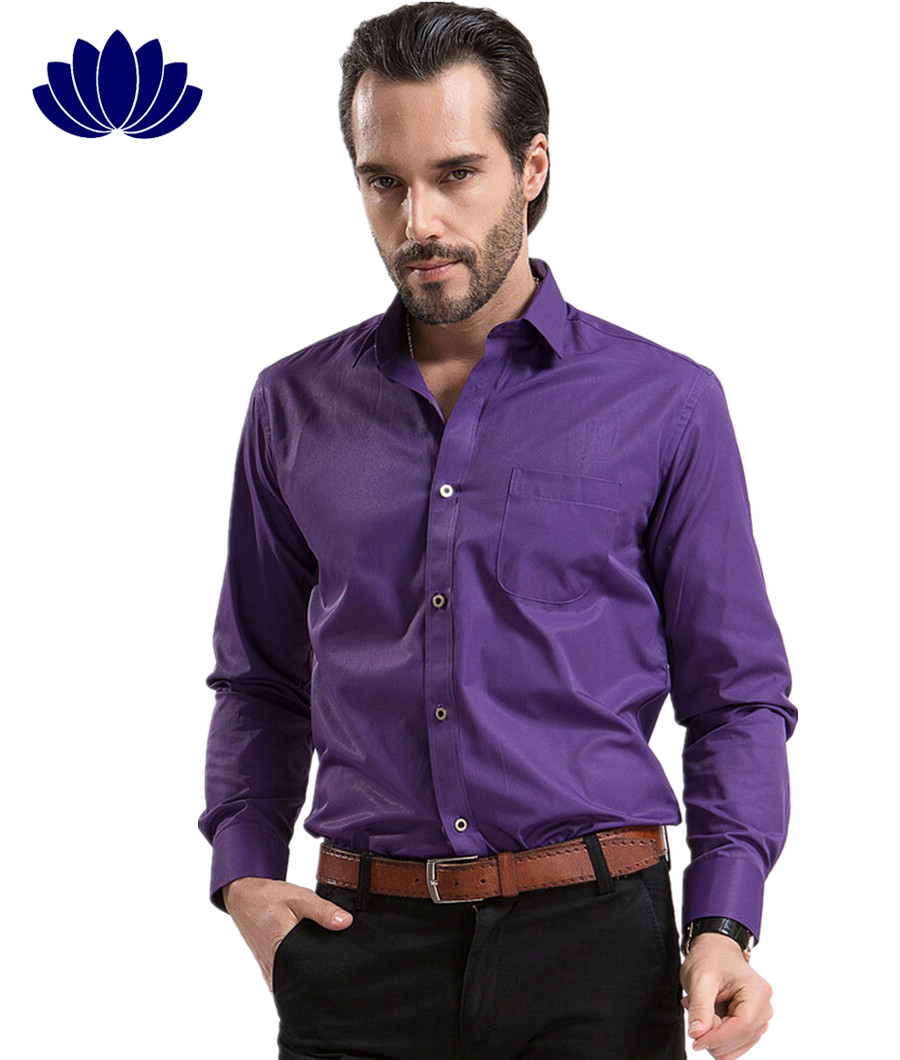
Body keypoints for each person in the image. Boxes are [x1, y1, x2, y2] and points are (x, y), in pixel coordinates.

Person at [199, 4, 797, 1058]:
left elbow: (736, 693)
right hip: (359, 950)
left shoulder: (667, 404)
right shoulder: (293, 407)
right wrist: (245, 875)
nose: (417, 220)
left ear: (531, 167)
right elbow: (260, 677)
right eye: (384, 181)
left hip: (596, 952)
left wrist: (722, 921)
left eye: (455, 174)